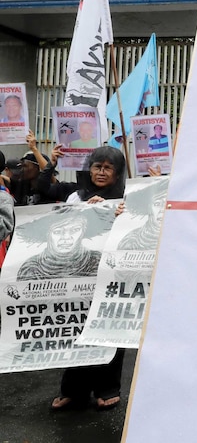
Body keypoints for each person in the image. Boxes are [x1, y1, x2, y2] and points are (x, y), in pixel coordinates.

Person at [38, 146, 128, 412]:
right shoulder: (76, 196)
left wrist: (111, 211)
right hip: (76, 276)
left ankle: (107, 389)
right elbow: (44, 189)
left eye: (107, 168)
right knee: (75, 328)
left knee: (110, 329)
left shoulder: (124, 199)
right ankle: (73, 390)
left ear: (118, 172)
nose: (100, 172)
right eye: (96, 166)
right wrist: (50, 162)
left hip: (109, 275)